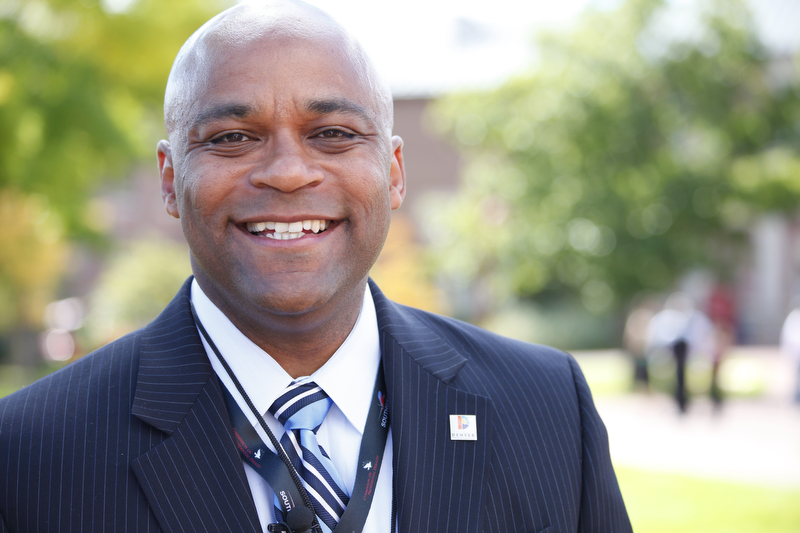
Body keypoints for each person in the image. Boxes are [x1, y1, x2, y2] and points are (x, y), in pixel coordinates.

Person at [0, 2, 631, 532]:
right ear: (171, 180)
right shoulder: (30, 452)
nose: (287, 171)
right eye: (231, 138)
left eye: (331, 133)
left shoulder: (547, 409)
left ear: (394, 173)